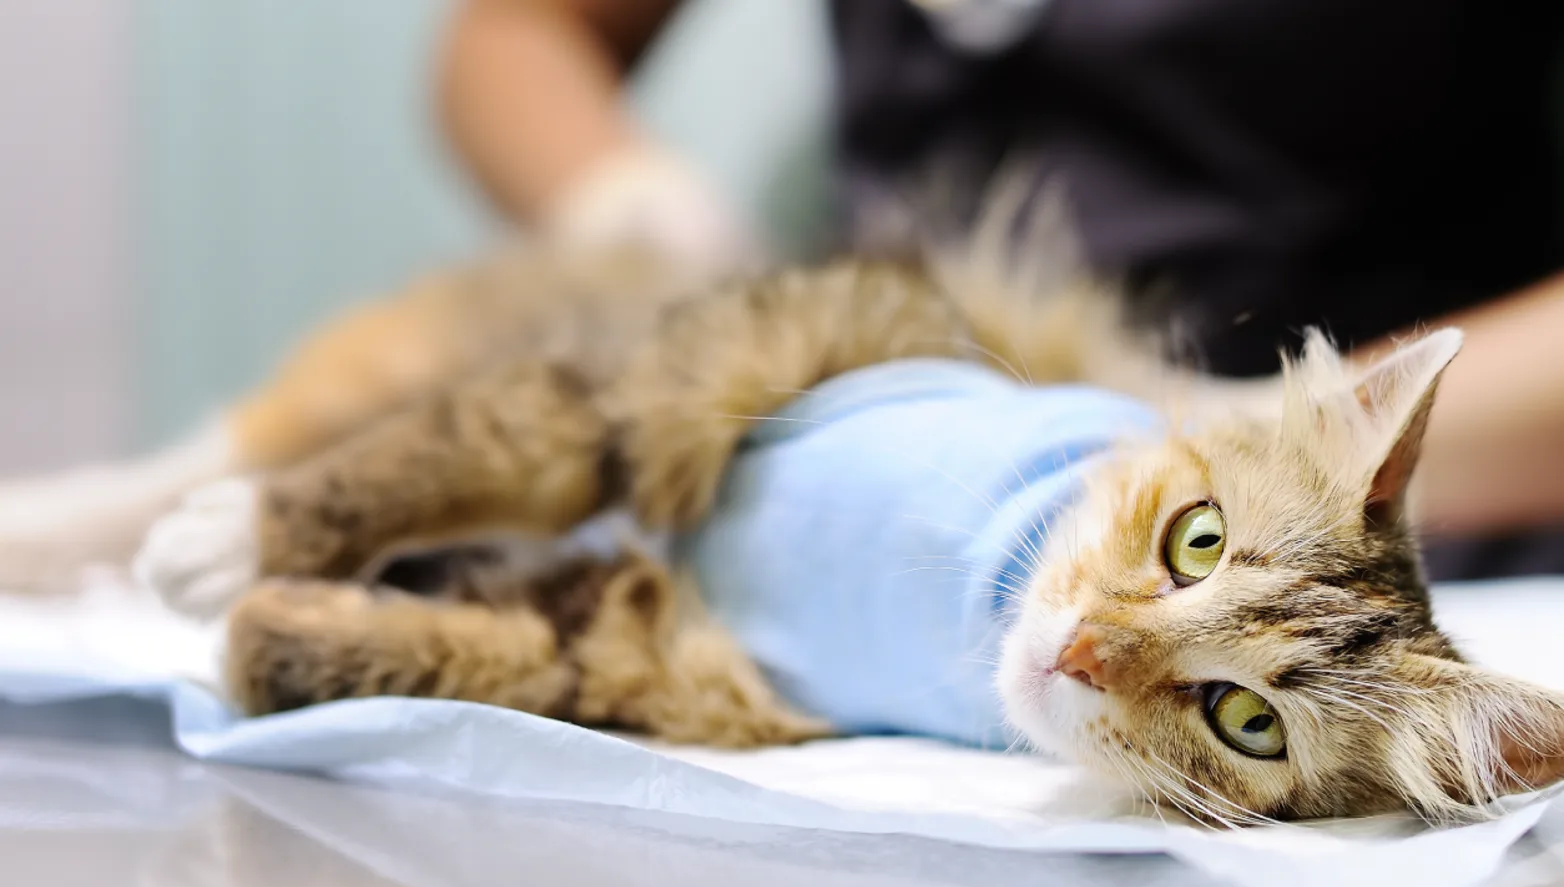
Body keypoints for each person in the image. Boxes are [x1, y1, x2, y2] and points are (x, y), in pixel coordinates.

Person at [435, 0, 1564, 580]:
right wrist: (651, 226)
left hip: (1384, 533)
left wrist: (1281, 448)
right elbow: (525, 29)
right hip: (884, 471)